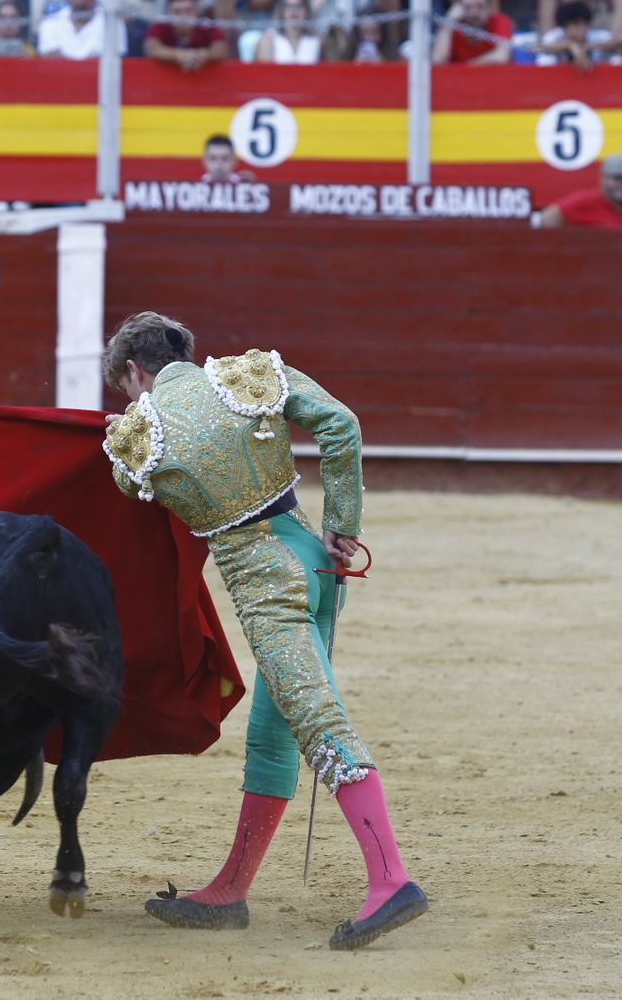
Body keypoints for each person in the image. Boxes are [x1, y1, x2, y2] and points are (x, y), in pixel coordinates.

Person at [100, 312, 429, 952]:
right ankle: (230, 890)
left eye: (126, 389)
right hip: (315, 559)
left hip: (263, 581)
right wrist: (342, 524)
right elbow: (341, 425)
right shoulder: (248, 374)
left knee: (317, 720)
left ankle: (391, 881)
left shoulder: (140, 432)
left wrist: (123, 430)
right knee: (274, 730)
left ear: (134, 373)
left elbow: (127, 490)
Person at [37, 0, 127, 59]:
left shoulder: (113, 24)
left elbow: (117, 61)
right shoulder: (51, 22)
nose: (81, 1)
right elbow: (50, 59)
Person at [144, 0, 229, 70]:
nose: (183, 16)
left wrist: (202, 55)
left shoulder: (206, 26)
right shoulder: (161, 25)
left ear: (197, 11)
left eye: (188, 11)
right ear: (168, 13)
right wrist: (178, 55)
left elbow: (221, 49)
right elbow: (151, 49)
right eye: (177, 12)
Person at [432, 0, 512, 65]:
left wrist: (464, 69)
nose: (474, 13)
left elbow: (502, 56)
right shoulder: (452, 26)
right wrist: (448, 22)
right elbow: (438, 61)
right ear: (458, 7)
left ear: (489, 8)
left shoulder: (500, 21)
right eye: (468, 7)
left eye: (480, 6)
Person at [535, 0, 608, 70]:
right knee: (545, 60)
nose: (572, 31)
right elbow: (537, 47)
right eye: (566, 26)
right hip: (559, 78)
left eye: (576, 24)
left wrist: (589, 46)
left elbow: (618, 40)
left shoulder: (596, 37)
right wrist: (570, 46)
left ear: (587, 25)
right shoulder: (554, 36)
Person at [255, 0, 320, 63]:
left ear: (307, 10)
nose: (294, 10)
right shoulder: (268, 39)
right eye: (289, 6)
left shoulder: (317, 40)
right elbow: (264, 72)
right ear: (281, 11)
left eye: (299, 6)